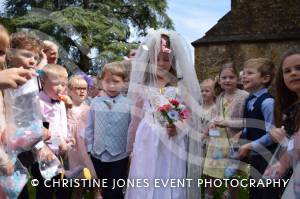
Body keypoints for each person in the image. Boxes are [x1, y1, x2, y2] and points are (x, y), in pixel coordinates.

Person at [125, 30, 202, 199]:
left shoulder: (180, 87)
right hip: (146, 139)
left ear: (173, 60)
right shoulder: (143, 86)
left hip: (171, 139)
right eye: (156, 58)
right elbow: (136, 118)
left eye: (166, 59)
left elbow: (189, 115)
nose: (161, 63)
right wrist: (130, 147)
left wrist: (178, 127)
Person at [85, 61, 131, 199]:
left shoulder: (129, 104)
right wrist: (89, 148)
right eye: (107, 81)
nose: (111, 85)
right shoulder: (95, 102)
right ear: (101, 82)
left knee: (115, 192)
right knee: (99, 190)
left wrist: (129, 151)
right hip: (97, 155)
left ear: (124, 83)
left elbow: (131, 130)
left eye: (116, 82)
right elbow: (90, 127)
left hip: (119, 156)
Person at [205, 63, 248, 199]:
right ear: (219, 79)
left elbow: (248, 122)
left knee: (231, 175)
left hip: (234, 142)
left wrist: (228, 123)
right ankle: (208, 195)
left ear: (238, 79)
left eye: (231, 77)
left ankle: (232, 195)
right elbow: (217, 116)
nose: (227, 80)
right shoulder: (220, 97)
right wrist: (212, 123)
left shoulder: (244, 96)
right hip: (218, 141)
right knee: (211, 171)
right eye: (224, 77)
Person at [264, 47, 300, 198]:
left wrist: (284, 141)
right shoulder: (292, 107)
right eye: (287, 71)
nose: (293, 72)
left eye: (299, 68)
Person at [239, 58, 278, 199]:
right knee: (254, 193)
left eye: (249, 73)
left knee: (267, 194)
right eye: (244, 72)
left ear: (265, 78)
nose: (244, 76)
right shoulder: (249, 99)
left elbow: (272, 134)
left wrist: (249, 145)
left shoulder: (268, 102)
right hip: (256, 156)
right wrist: (241, 134)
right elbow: (252, 125)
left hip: (268, 158)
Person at [67, 75, 102, 199]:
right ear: (69, 91)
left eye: (84, 88)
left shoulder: (89, 108)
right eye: (78, 88)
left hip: (87, 148)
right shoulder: (66, 108)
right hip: (73, 148)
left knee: (95, 178)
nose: (82, 91)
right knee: (78, 182)